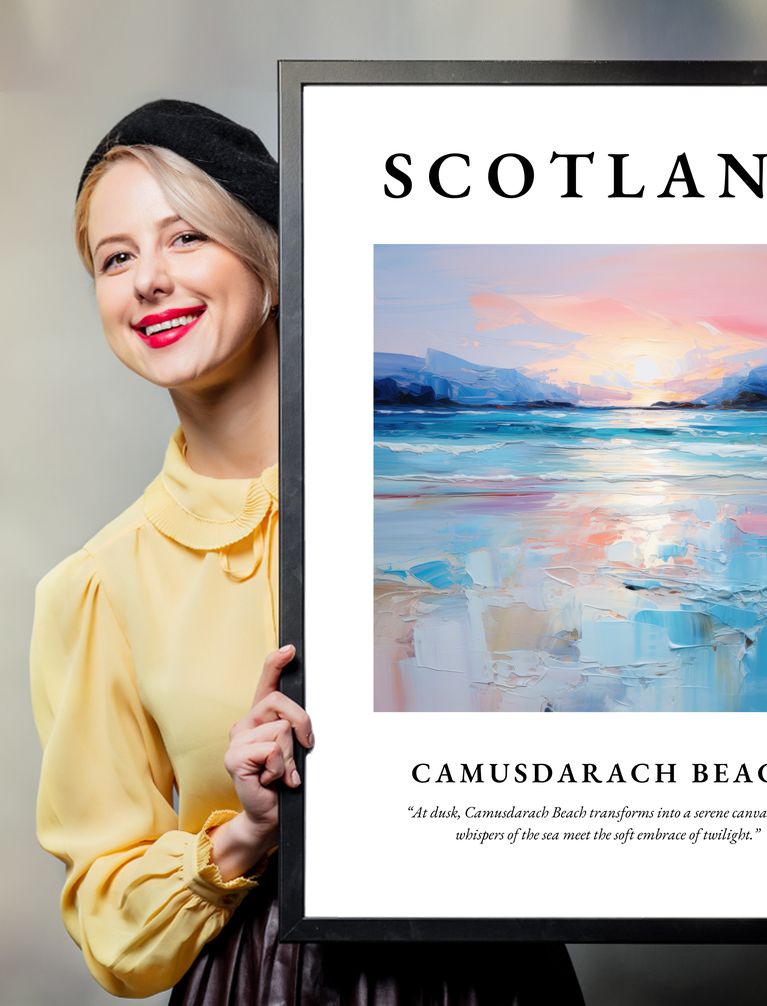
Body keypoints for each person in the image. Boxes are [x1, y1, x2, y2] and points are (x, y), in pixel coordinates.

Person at [30, 100, 586, 1004]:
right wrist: (245, 833)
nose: (149, 281)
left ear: (272, 261)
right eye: (115, 258)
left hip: (490, 971)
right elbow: (110, 924)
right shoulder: (97, 586)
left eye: (186, 237)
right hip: (263, 981)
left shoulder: (447, 502)